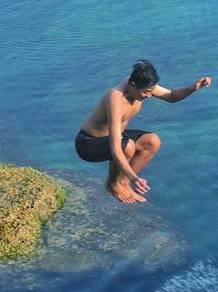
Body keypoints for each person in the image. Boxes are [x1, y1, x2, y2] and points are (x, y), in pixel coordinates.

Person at [75, 60, 211, 204]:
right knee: (127, 146)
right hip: (88, 143)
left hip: (114, 139)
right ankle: (112, 184)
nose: (148, 95)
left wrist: (193, 88)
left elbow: (171, 96)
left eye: (151, 91)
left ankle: (124, 183)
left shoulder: (141, 82)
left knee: (153, 141)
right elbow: (115, 147)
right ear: (132, 86)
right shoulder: (115, 98)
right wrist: (135, 177)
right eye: (145, 92)